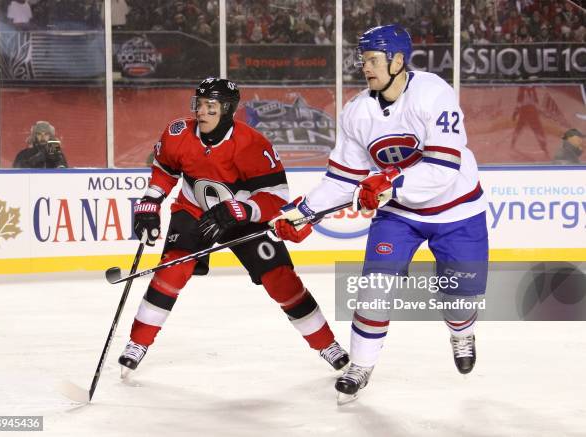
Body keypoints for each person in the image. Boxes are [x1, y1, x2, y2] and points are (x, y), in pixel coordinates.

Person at [272, 25, 489, 403]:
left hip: (458, 212)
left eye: (373, 60)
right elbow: (343, 180)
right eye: (363, 61)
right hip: (399, 217)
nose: (365, 68)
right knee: (374, 290)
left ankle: (461, 332)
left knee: (461, 299)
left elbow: (443, 168)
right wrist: (304, 211)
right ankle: (359, 366)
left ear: (398, 60)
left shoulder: (433, 93)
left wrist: (389, 182)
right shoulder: (356, 112)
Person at [118, 77, 349, 376]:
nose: (201, 112)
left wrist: (242, 209)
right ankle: (138, 343)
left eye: (210, 107)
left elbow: (276, 196)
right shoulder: (178, 133)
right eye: (199, 105)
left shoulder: (252, 144)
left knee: (280, 278)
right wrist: (150, 203)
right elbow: (164, 170)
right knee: (172, 270)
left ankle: (327, 345)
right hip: (194, 211)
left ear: (227, 110)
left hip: (243, 218)